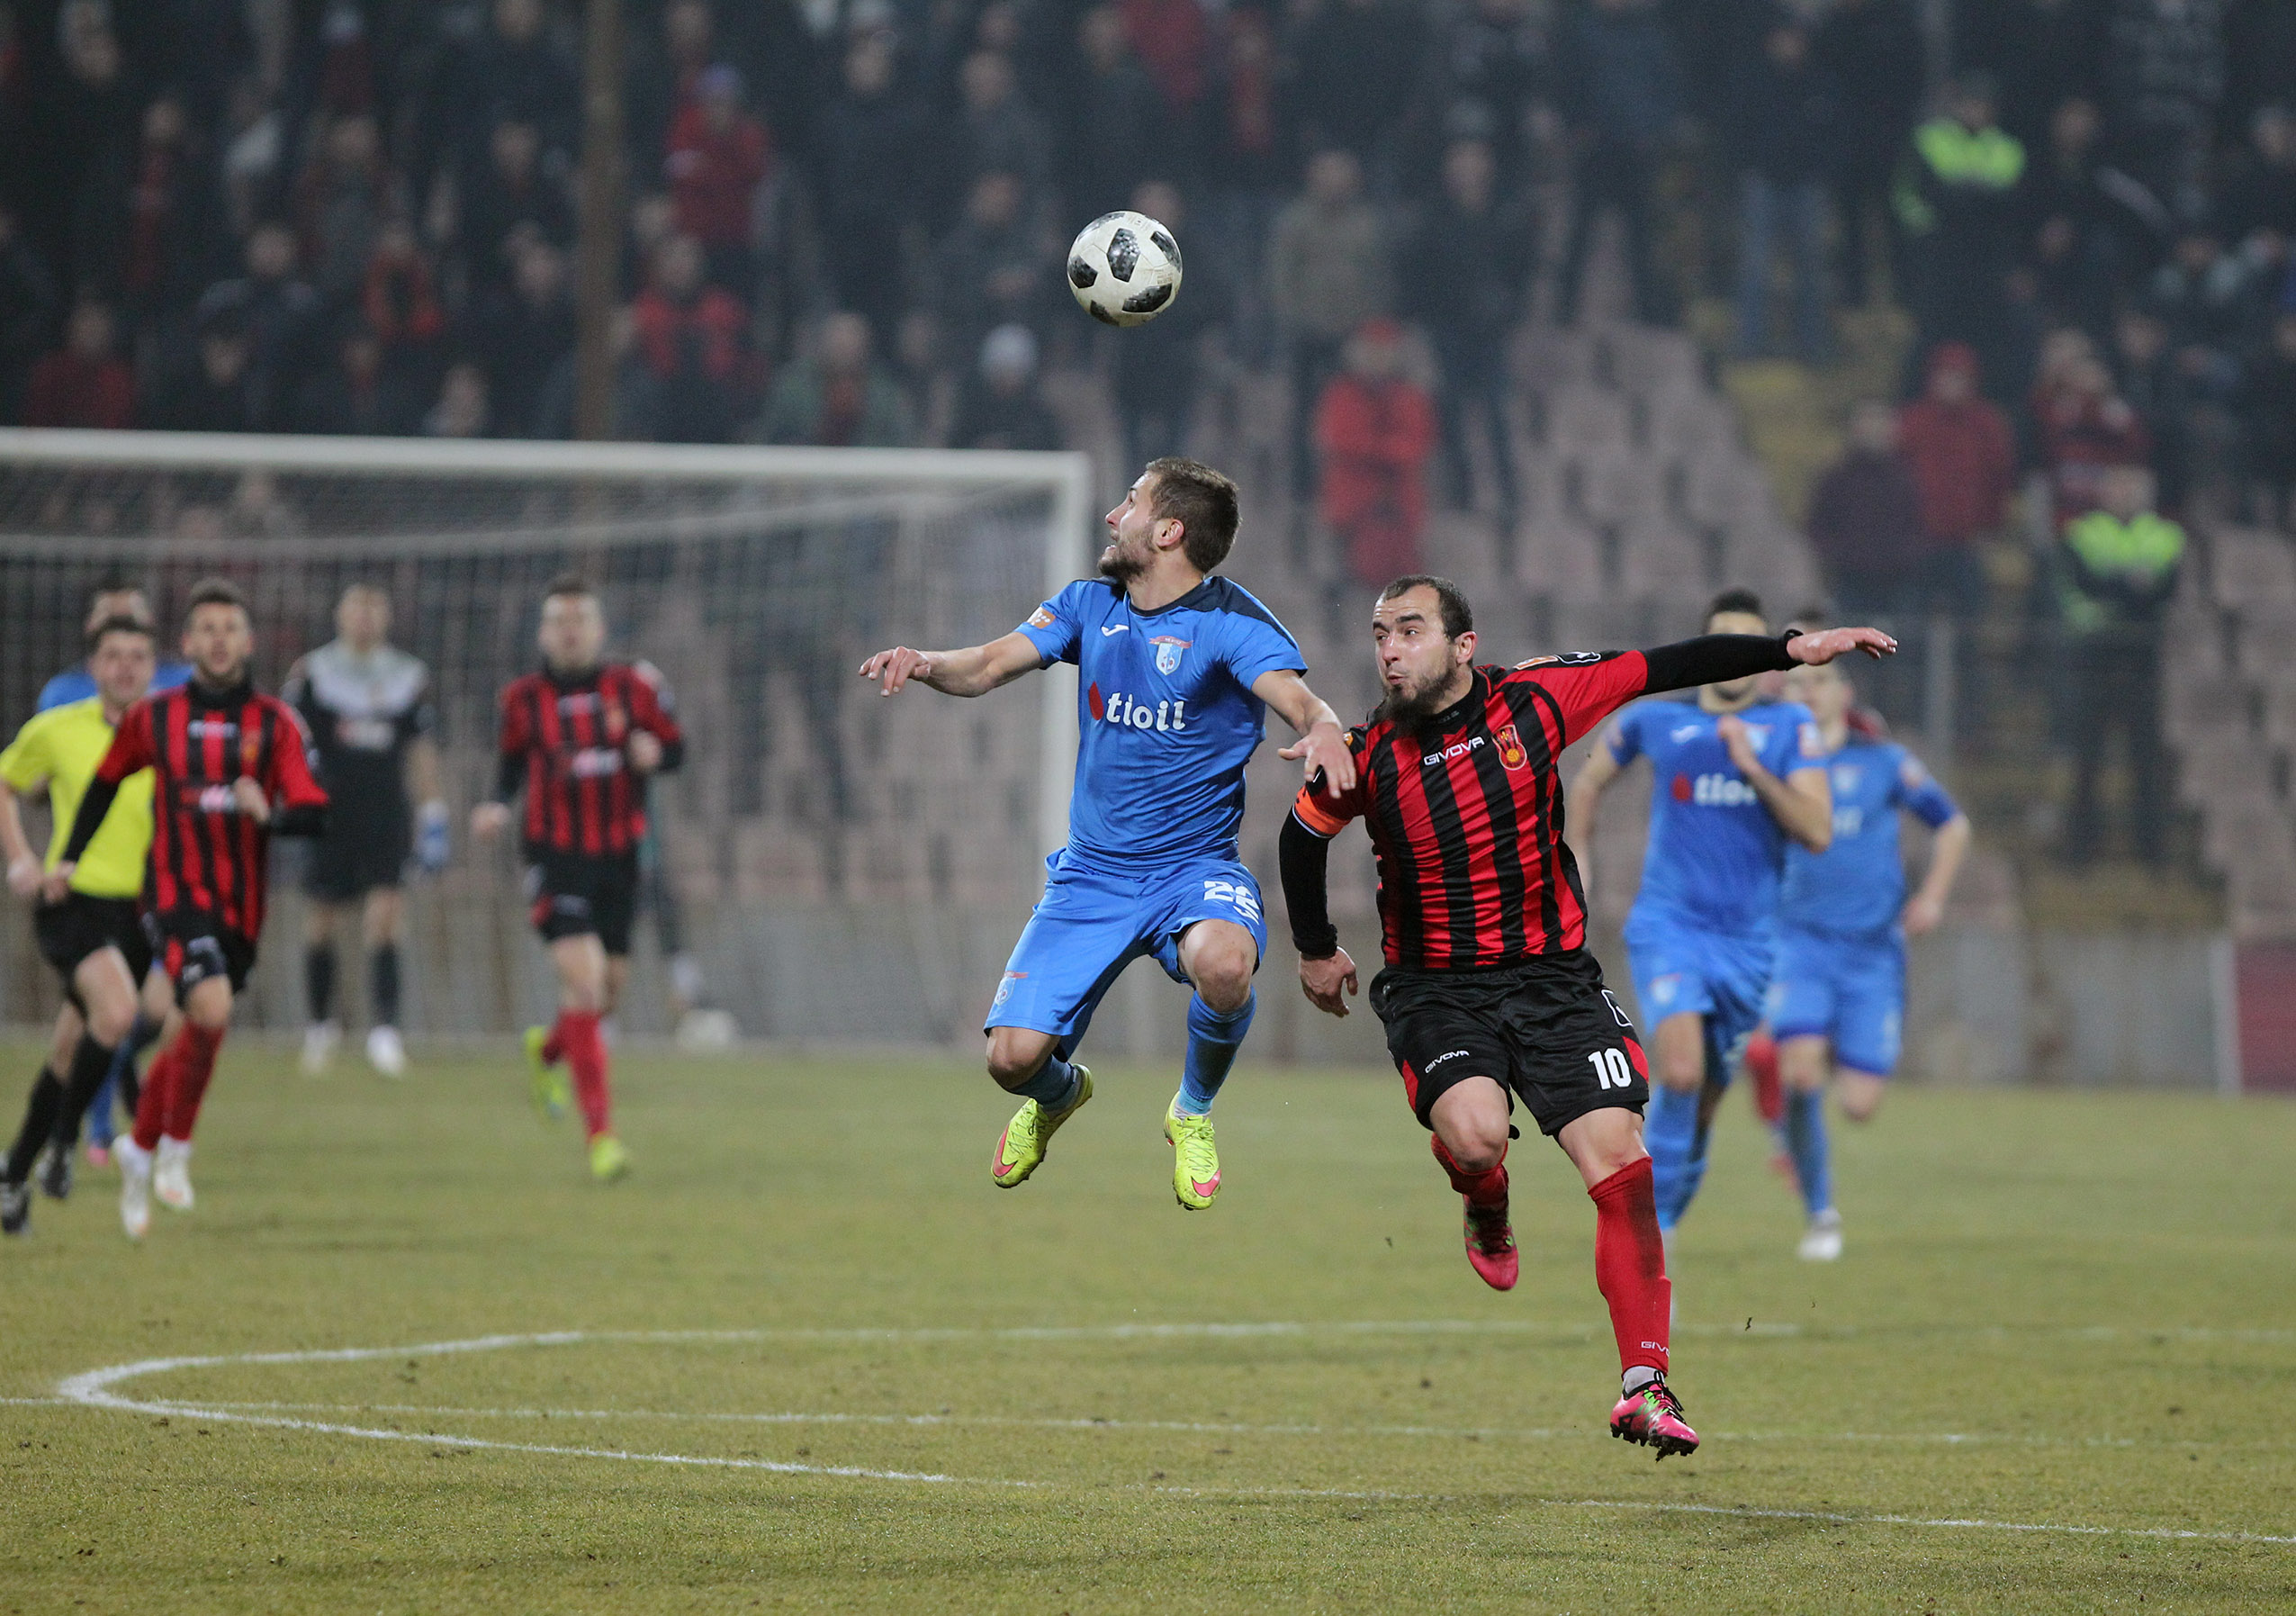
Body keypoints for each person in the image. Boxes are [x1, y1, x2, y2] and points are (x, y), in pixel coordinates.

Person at [1279, 573, 1893, 1457]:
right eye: (1379, 634)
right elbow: (1301, 836)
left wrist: (1789, 649)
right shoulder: (1367, 751)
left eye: (1409, 630)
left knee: (1623, 1161)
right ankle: (1482, 1193)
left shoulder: (1536, 700)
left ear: (1462, 645)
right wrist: (1314, 947)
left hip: (1553, 982)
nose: (1388, 650)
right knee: (1476, 1137)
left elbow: (1666, 665)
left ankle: (1644, 1385)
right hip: (1436, 988)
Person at [858, 458, 1353, 1211]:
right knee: (1010, 1061)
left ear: (1168, 531)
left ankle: (1191, 1111)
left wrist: (1323, 730)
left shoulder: (1231, 623)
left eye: (1130, 502)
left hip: (1192, 871)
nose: (1112, 516)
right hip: (1091, 876)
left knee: (1225, 963)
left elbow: (1301, 701)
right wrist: (925, 662)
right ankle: (1060, 1095)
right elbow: (987, 664)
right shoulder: (1088, 605)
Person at [52, 581, 329, 1240]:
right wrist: (67, 859)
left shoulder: (275, 722)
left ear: (248, 641)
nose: (218, 639)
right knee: (210, 1006)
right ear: (187, 642)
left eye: (229, 628)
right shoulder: (154, 717)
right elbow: (104, 784)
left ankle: (141, 1144)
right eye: (206, 628)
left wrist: (271, 815)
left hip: (242, 910)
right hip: (173, 896)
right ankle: (174, 1144)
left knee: (201, 1024)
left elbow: (314, 812)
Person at [1565, 589, 1835, 1241]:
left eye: (1750, 643)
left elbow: (1817, 830)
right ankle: (1649, 1240)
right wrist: (1577, 866)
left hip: (1747, 945)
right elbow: (1589, 780)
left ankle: (1665, 1219)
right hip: (1670, 927)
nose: (1736, 656)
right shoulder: (1657, 720)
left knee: (1705, 1099)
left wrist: (1753, 769)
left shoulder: (1789, 728)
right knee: (1680, 1072)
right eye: (1725, 642)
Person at [472, 577, 686, 1183]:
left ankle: (546, 1052)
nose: (569, 631)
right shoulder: (522, 698)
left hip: (618, 859)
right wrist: (495, 806)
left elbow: (675, 748)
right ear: (543, 632)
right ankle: (602, 1139)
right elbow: (509, 765)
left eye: (579, 620)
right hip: (555, 858)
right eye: (558, 621)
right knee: (587, 980)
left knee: (606, 990)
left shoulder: (634, 688)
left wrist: (655, 754)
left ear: (599, 629)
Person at [1765, 655, 1967, 1261]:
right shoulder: (1771, 762)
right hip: (1798, 943)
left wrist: (1932, 897)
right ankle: (1820, 1212)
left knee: (1858, 1105)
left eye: (1820, 680)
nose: (1808, 691)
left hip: (1872, 953)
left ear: (1844, 692)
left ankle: (1804, 1086)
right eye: (1796, 682)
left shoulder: (1883, 761)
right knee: (1801, 1071)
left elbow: (1952, 825)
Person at [0, 618, 158, 1235]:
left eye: (138, 655)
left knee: (70, 1049)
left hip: (138, 911)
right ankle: (65, 1146)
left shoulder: (164, 733)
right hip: (72, 901)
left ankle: (13, 1177)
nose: (126, 666)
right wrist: (21, 859)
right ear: (93, 667)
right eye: (114, 655)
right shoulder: (58, 728)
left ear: (152, 667)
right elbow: (5, 782)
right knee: (117, 1013)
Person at [35, 584, 192, 1167]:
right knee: (101, 1016)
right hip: (92, 884)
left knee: (160, 1011)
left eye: (133, 617)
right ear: (92, 630)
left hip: (164, 882)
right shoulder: (64, 696)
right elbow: (38, 776)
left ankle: (106, 1104)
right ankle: (90, 1133)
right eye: (110, 615)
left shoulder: (177, 688)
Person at [285, 585, 447, 1080]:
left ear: (388, 617)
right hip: (328, 814)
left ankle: (385, 1034)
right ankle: (320, 1028)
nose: (365, 618)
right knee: (321, 920)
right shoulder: (312, 674)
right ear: (340, 615)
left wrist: (433, 813)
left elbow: (421, 749)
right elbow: (290, 744)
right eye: (357, 608)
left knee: (386, 918)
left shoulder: (408, 677)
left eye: (374, 608)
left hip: (385, 814)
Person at [2057, 464, 2183, 866]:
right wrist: (2134, 588)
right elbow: (2086, 584)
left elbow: (2166, 590)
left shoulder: (2166, 536)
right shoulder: (2083, 533)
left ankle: (2152, 853)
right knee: (2088, 758)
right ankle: (2080, 851)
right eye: (2118, 487)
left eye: (2133, 488)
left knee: (2146, 760)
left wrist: (2117, 587)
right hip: (2096, 655)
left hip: (2144, 659)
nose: (2125, 495)